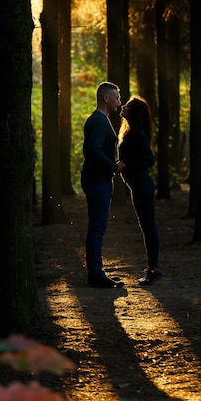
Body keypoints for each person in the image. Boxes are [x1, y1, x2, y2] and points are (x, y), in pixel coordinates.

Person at [81, 82, 126, 288]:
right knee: (97, 228)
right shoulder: (99, 121)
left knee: (97, 227)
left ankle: (96, 272)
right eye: (116, 97)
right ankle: (96, 274)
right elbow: (94, 150)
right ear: (105, 98)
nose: (119, 101)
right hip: (97, 180)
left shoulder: (99, 119)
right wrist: (113, 167)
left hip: (97, 179)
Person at [119, 96, 164, 286]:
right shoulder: (131, 133)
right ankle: (152, 268)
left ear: (134, 113)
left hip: (142, 186)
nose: (123, 107)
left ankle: (153, 269)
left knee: (149, 227)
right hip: (138, 186)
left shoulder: (138, 135)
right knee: (147, 227)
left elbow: (149, 160)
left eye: (127, 107)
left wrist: (126, 165)